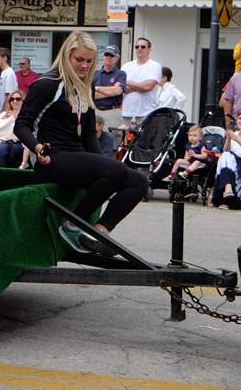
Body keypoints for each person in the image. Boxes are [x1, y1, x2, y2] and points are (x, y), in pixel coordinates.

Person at [14, 31, 147, 255]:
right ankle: (73, 224)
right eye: (79, 60)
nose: (84, 66)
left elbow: (87, 135)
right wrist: (37, 147)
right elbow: (21, 125)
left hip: (75, 155)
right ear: (67, 56)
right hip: (52, 157)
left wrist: (106, 165)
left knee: (139, 182)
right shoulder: (48, 84)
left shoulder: (86, 87)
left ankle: (99, 232)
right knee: (114, 170)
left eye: (89, 61)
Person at [121, 37, 162, 125]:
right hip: (127, 113)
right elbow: (121, 88)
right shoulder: (126, 66)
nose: (139, 49)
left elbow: (147, 87)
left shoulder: (155, 66)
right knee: (125, 139)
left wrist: (128, 82)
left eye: (143, 47)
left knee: (145, 139)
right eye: (137, 46)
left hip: (146, 113)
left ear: (149, 49)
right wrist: (140, 86)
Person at [92, 45, 126, 130]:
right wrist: (111, 91)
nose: (108, 57)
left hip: (113, 111)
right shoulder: (94, 74)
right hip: (96, 111)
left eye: (111, 55)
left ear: (117, 57)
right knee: (95, 140)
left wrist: (96, 88)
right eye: (106, 55)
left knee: (113, 140)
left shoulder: (121, 74)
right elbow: (91, 94)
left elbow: (117, 91)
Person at [0, 47, 18, 113]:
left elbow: (8, 96)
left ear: (5, 58)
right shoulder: (3, 72)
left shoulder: (9, 73)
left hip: (5, 112)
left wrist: (3, 113)